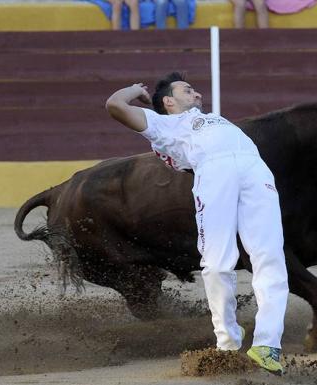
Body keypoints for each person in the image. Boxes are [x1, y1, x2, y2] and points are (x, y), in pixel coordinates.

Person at [105, 72, 289, 375]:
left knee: (270, 257)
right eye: (188, 91)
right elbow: (114, 105)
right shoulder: (163, 124)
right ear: (168, 101)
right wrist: (135, 90)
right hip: (214, 173)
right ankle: (228, 343)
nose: (198, 95)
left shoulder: (212, 118)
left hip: (256, 170)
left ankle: (267, 344)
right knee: (217, 264)